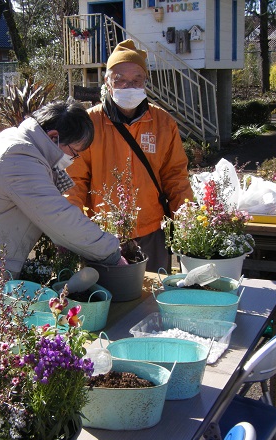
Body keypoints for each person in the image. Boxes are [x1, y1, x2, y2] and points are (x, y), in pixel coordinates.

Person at [0, 100, 123, 318]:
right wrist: (111, 252)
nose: (73, 160)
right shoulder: (20, 157)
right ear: (53, 137)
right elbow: (58, 218)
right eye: (74, 152)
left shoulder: (17, 142)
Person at [66, 39, 194, 273]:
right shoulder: (88, 123)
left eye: (136, 80)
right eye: (120, 80)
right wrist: (71, 229)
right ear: (107, 81)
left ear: (145, 82)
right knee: (109, 301)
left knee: (153, 299)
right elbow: (74, 181)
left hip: (151, 231)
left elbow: (176, 176)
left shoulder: (163, 122)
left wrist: (188, 221)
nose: (129, 86)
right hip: (102, 234)